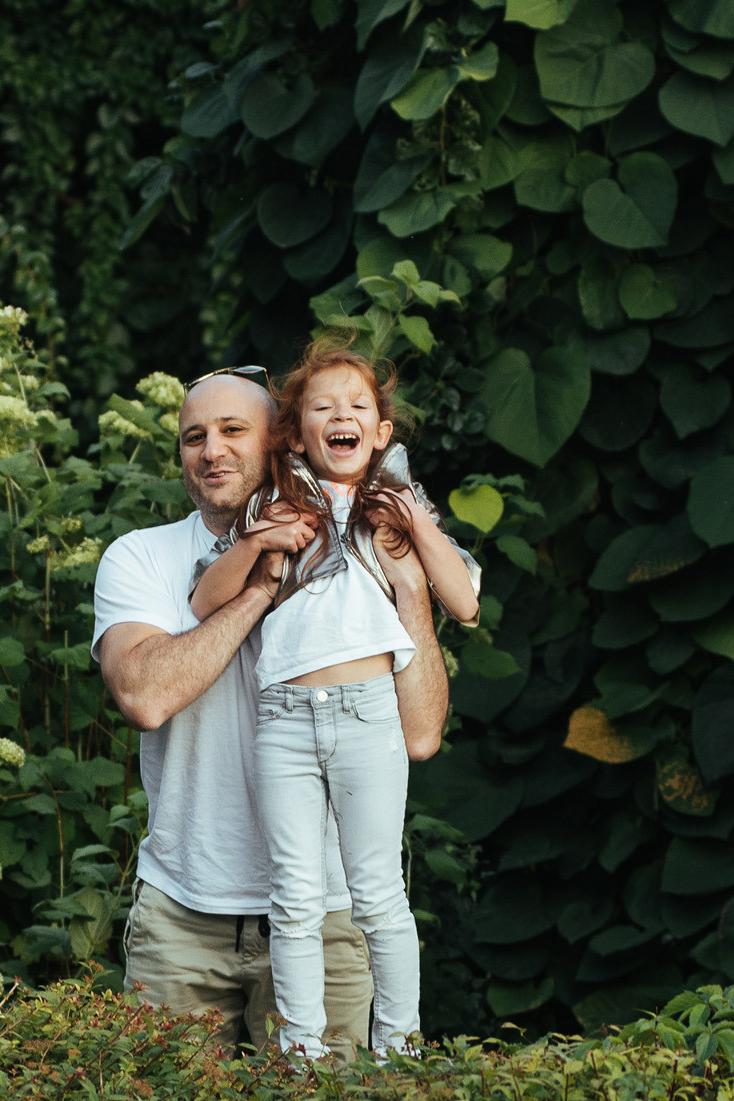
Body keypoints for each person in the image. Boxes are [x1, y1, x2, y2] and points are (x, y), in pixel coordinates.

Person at [92, 366, 455, 1057]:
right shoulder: (141, 556)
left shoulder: (362, 551)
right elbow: (144, 695)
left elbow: (420, 734)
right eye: (193, 436)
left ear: (281, 441)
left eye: (234, 430)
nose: (211, 450)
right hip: (183, 917)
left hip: (328, 918)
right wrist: (259, 588)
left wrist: (409, 587)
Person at [186, 340, 481, 1057]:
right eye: (322, 408)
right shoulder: (273, 501)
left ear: (381, 432)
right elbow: (203, 601)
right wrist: (258, 540)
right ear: (298, 432)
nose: (340, 415)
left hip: (367, 712)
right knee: (294, 898)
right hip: (284, 721)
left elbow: (465, 601)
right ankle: (305, 1053)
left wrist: (413, 527)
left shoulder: (397, 503)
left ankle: (400, 1046)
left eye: (358, 407)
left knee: (379, 894)